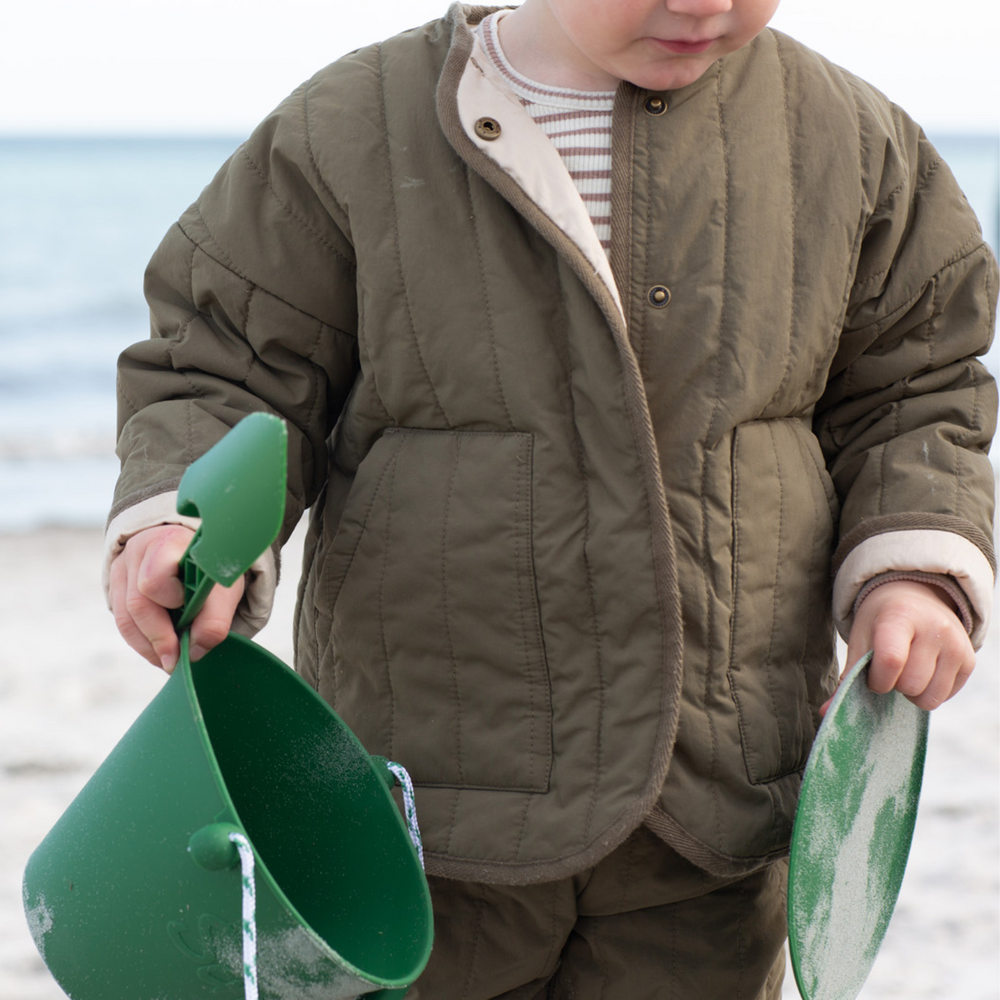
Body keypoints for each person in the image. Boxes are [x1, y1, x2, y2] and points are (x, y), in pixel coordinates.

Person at [104, 1, 998, 996]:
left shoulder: (852, 143)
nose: (700, 4)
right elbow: (223, 363)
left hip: (714, 808)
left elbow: (916, 385)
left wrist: (913, 566)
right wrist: (180, 521)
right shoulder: (353, 127)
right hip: (427, 810)